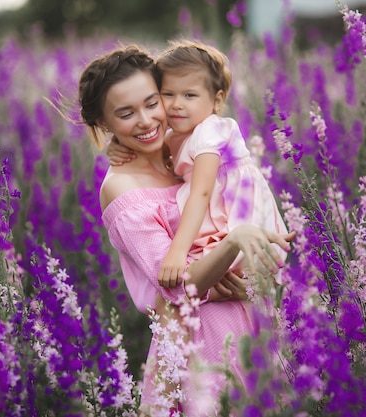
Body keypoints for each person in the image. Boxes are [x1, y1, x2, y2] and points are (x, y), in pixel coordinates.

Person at [78, 44, 294, 416]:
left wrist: (251, 277)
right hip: (199, 342)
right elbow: (175, 285)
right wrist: (231, 245)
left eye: (153, 102)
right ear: (104, 123)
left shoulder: (176, 149)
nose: (146, 121)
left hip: (250, 317)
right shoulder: (121, 190)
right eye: (125, 114)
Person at [109, 40, 289, 290]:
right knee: (216, 280)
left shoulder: (210, 131)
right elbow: (149, 143)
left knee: (217, 275)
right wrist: (117, 142)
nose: (176, 104)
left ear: (217, 100)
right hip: (222, 222)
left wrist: (177, 251)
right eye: (167, 94)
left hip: (240, 216)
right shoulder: (179, 134)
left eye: (189, 95)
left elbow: (201, 192)